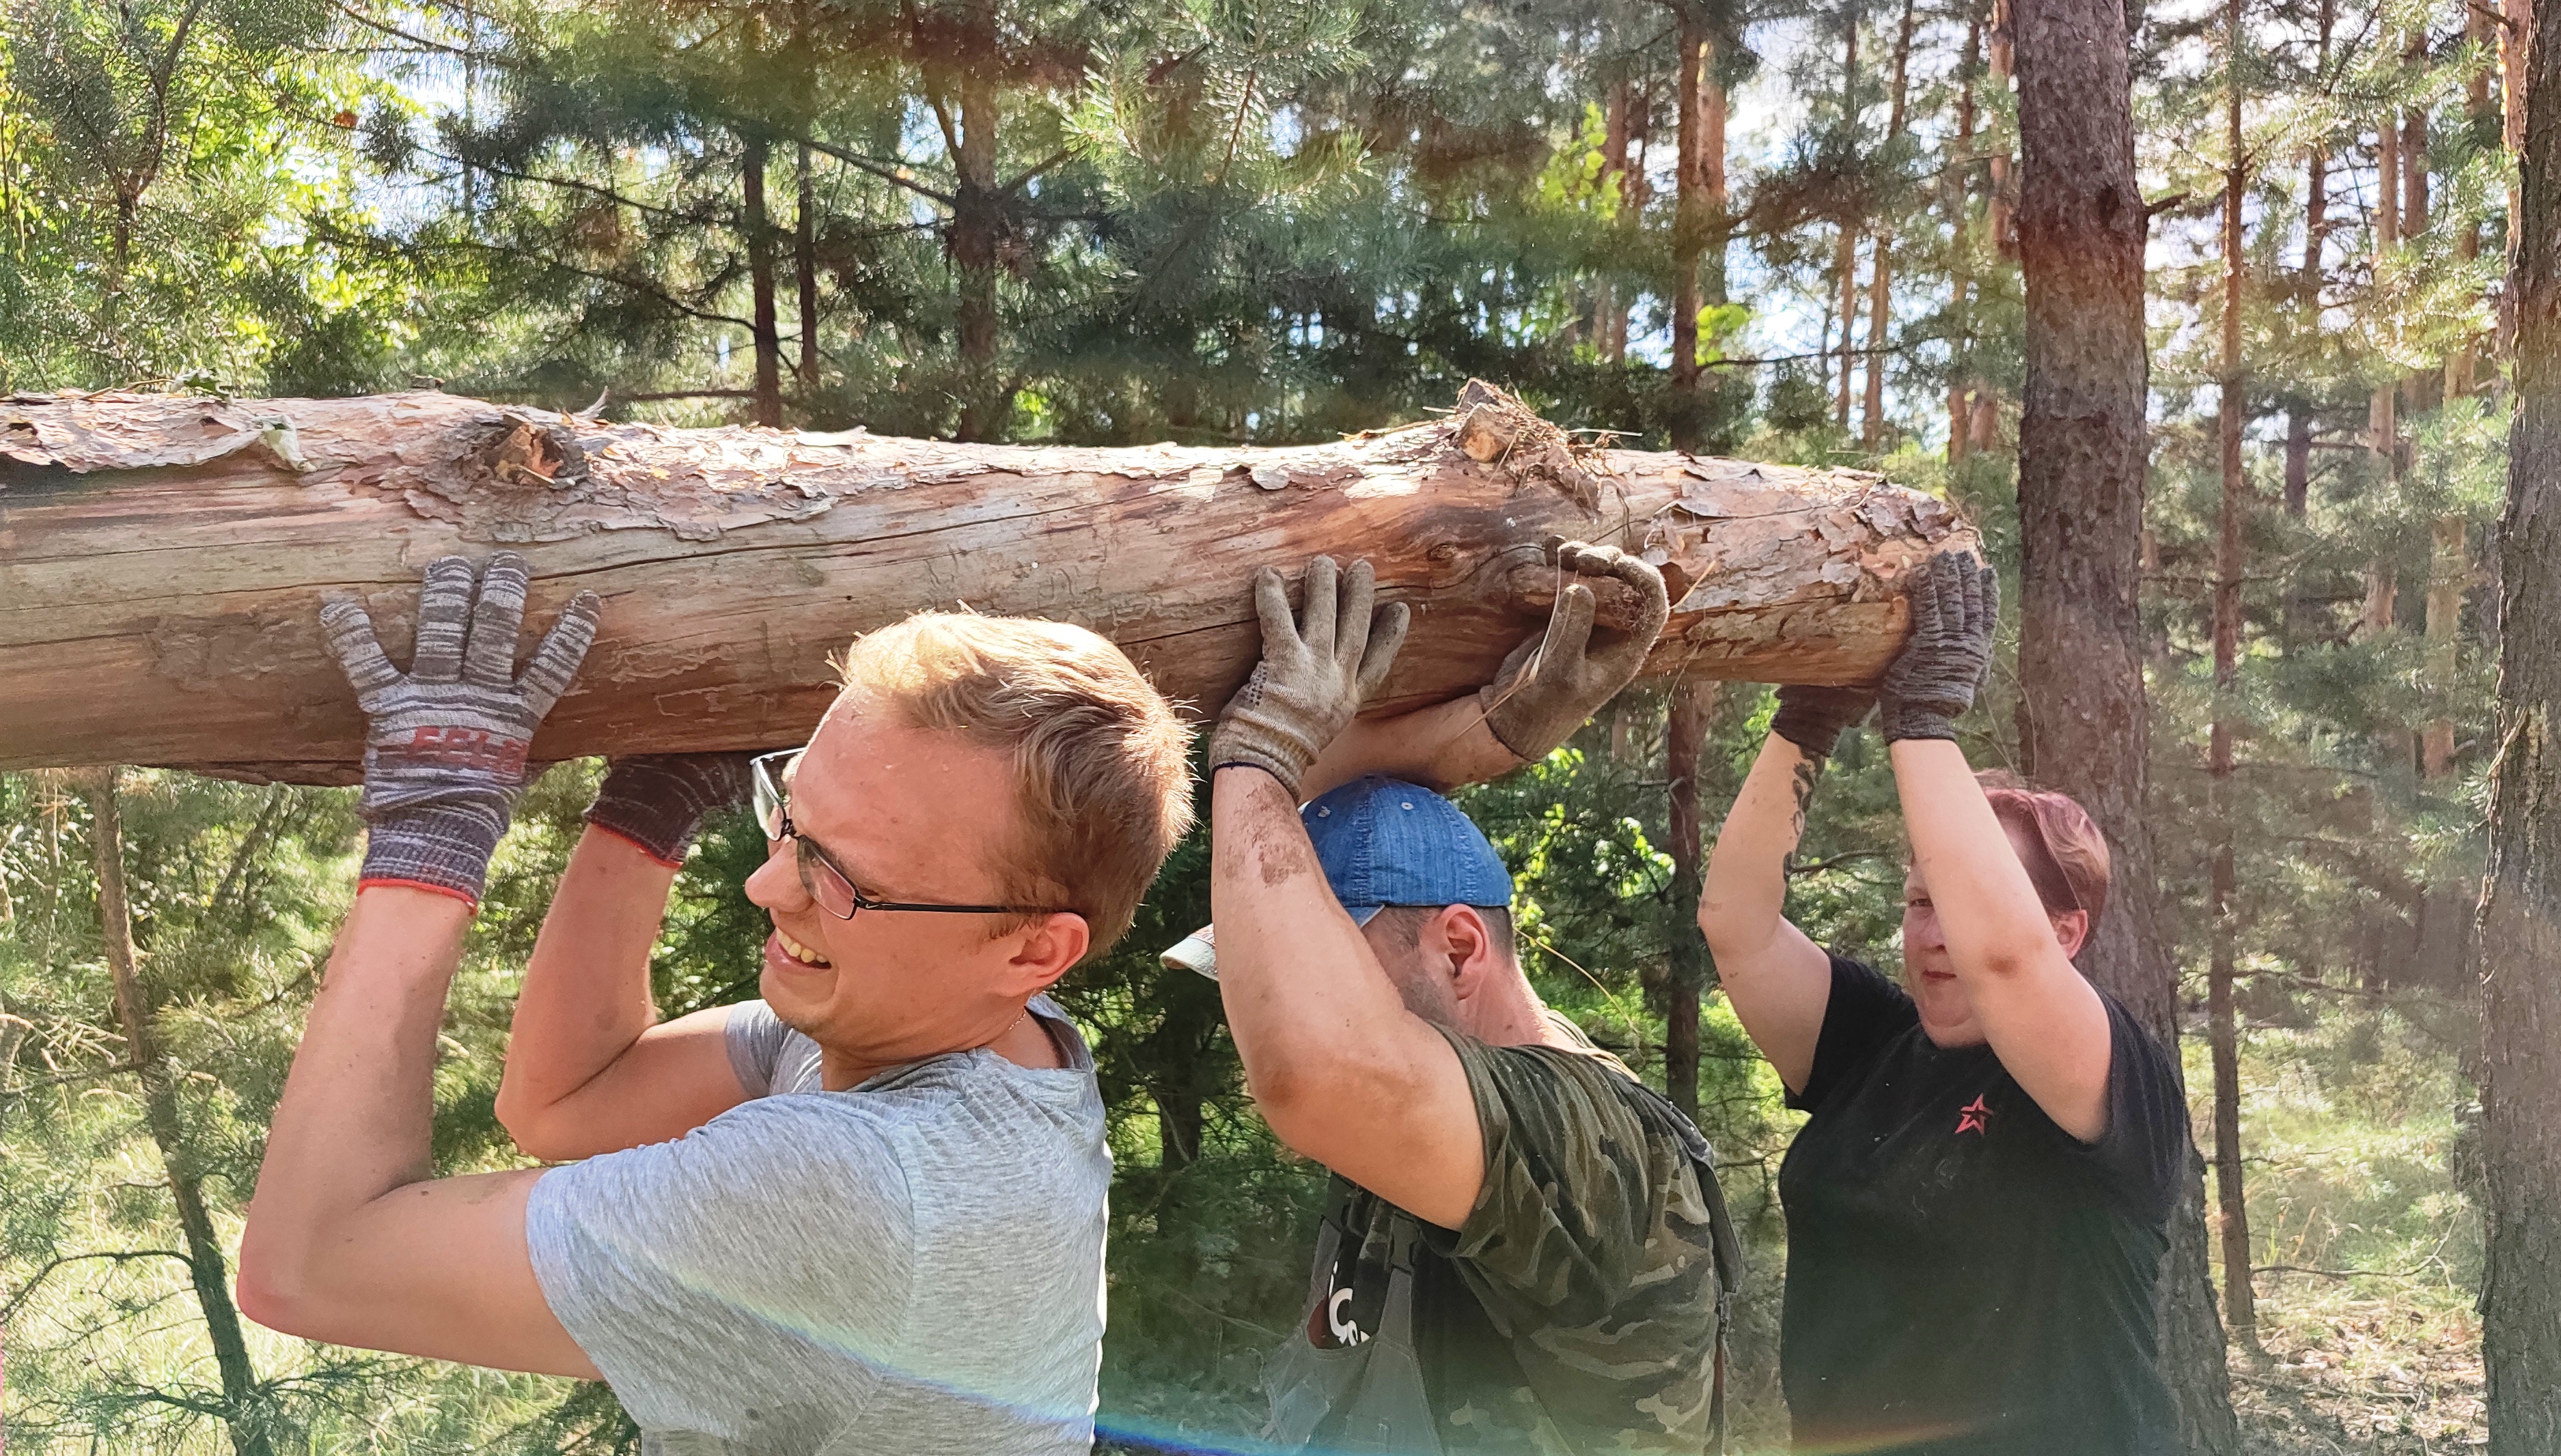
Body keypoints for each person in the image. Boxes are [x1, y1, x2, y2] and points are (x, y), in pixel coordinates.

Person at [236, 552, 1193, 1455]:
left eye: (842, 877)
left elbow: (307, 1265)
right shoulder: (1003, 1037)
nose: (768, 885)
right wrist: (649, 802)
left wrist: (434, 825)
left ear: (1034, 946)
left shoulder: (864, 1185)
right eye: (791, 815)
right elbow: (562, 1101)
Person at [1188, 547, 1743, 1455]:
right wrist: (1493, 729)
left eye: (1338, 957)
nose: (1274, 996)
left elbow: (1318, 1069)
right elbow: (1321, 786)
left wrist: (1261, 744)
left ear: (1456, 948)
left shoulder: (1594, 1145)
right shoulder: (1453, 1111)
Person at [1695, 549, 2191, 1456]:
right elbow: (1736, 922)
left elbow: (2004, 960)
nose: (1930, 936)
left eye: (1955, 907)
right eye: (1918, 901)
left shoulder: (2111, 1074)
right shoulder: (1870, 1044)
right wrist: (1808, 717)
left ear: (2066, 933)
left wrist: (1923, 717)